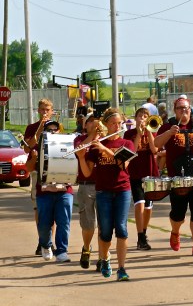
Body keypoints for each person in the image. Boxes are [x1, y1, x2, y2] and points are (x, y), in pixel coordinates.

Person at [77, 108, 135, 281]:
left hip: (122, 190)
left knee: (122, 229)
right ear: (107, 125)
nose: (118, 126)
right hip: (103, 192)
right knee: (106, 232)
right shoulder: (97, 145)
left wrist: (105, 149)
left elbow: (123, 164)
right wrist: (81, 157)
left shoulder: (127, 144)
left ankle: (122, 268)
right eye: (114, 123)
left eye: (120, 123)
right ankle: (105, 260)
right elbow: (87, 173)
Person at [154, 97, 193, 256]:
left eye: (186, 108)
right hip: (177, 177)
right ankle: (175, 232)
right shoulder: (168, 126)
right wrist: (169, 133)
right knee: (178, 214)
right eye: (180, 108)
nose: (183, 111)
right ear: (174, 110)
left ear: (190, 109)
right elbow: (156, 144)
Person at [25, 120, 73, 263]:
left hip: (64, 190)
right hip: (44, 192)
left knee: (64, 222)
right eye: (49, 129)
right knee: (44, 223)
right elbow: (28, 168)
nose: (52, 132)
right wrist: (34, 158)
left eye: (55, 129)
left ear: (59, 131)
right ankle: (46, 245)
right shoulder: (38, 147)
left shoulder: (68, 145)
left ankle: (62, 251)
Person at [123, 108, 159, 251]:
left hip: (149, 172)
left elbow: (155, 149)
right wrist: (138, 133)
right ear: (135, 118)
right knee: (140, 204)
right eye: (140, 116)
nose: (142, 118)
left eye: (145, 116)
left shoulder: (153, 132)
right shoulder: (129, 133)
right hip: (135, 173)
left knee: (149, 208)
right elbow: (133, 151)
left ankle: (143, 232)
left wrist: (149, 131)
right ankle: (140, 237)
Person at [23, 98, 55, 256]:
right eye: (42, 109)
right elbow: (26, 148)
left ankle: (51, 242)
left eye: (47, 110)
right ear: (38, 110)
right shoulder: (31, 128)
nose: (45, 112)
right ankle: (42, 240)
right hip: (37, 170)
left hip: (53, 170)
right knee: (39, 208)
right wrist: (41, 127)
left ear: (52, 111)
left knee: (53, 208)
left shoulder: (57, 127)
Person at [73, 112, 99, 269]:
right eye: (90, 122)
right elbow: (79, 150)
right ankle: (87, 248)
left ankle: (104, 256)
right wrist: (93, 136)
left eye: (97, 122)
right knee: (88, 224)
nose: (94, 125)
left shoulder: (106, 139)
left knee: (105, 225)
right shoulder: (79, 139)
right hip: (85, 185)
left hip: (104, 186)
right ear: (85, 125)